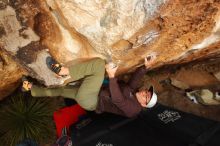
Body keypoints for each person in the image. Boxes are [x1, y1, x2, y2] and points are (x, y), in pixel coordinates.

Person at [22, 57, 157, 118]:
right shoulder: (134, 93)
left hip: (92, 100)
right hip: (93, 95)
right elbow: (134, 81)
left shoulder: (133, 109)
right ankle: (33, 90)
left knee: (99, 64)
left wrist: (111, 76)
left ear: (144, 105)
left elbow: (118, 100)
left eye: (147, 97)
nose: (145, 93)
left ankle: (64, 71)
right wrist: (146, 67)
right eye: (147, 92)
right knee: (62, 90)